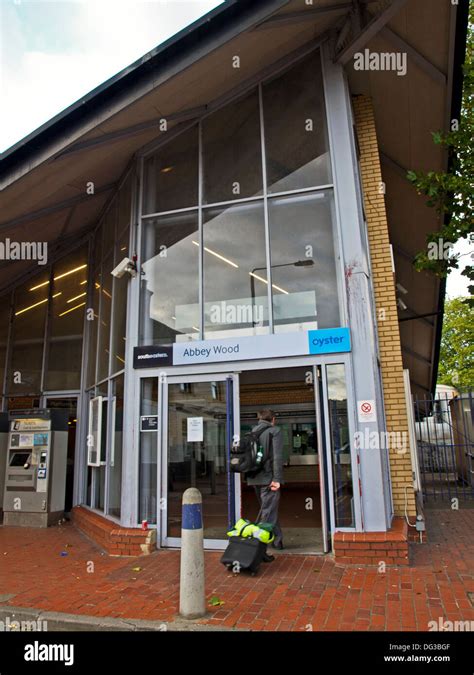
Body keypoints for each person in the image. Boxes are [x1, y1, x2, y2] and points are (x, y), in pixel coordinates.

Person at [246, 409, 284, 559]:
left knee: (269, 510)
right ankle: (257, 548)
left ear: (259, 418)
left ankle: (278, 541)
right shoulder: (275, 431)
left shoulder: (252, 432)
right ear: (273, 419)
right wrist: (277, 479)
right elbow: (277, 458)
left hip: (254, 478)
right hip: (268, 479)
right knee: (267, 513)